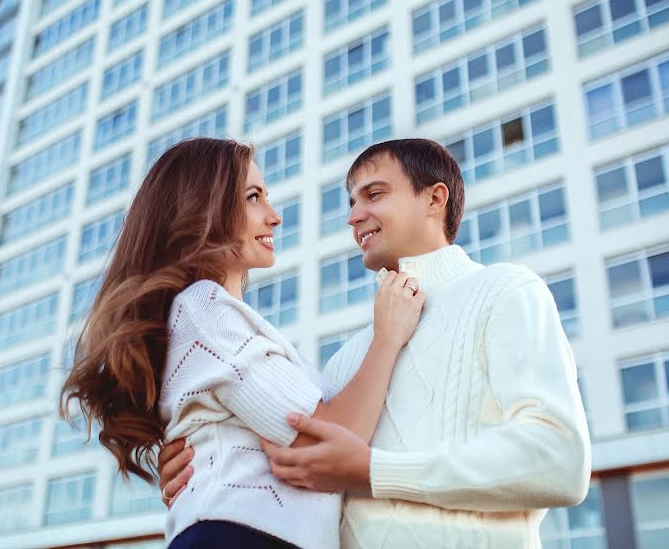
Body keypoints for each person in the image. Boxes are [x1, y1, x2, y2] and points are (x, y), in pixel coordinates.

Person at [160, 138, 592, 547]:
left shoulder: (505, 290)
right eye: (351, 202)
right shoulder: (347, 362)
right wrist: (203, 462)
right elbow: (305, 468)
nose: (353, 215)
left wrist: (375, 471)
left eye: (374, 194)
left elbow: (559, 459)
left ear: (434, 199)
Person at [60, 138, 425, 549]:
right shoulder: (205, 309)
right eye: (254, 197)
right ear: (202, 208)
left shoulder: (220, 322)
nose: (274, 217)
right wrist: (388, 336)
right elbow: (334, 438)